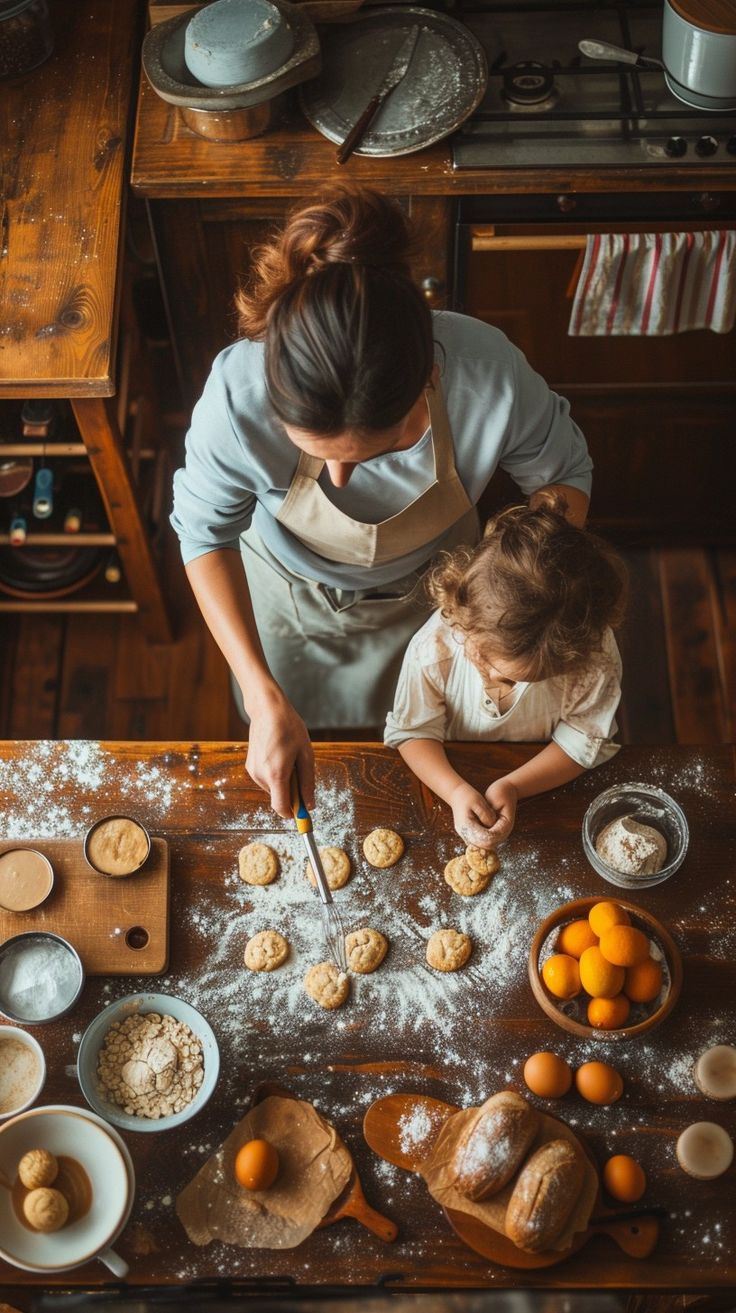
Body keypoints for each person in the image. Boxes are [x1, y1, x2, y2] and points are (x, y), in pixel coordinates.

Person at [170, 185, 594, 820]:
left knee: (422, 714)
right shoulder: (236, 398)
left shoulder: (486, 374)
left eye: (371, 453)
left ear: (427, 380)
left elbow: (564, 476)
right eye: (315, 450)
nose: (336, 480)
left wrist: (520, 588)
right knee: (293, 707)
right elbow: (204, 536)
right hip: (291, 600)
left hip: (442, 599)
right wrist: (264, 701)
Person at [384, 498, 627, 848]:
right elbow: (413, 731)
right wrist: (454, 791)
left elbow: (582, 738)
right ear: (466, 619)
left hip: (545, 770)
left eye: (518, 679)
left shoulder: (594, 660)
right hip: (452, 764)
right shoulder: (434, 649)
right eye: (487, 661)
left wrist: (514, 786)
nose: (495, 679)